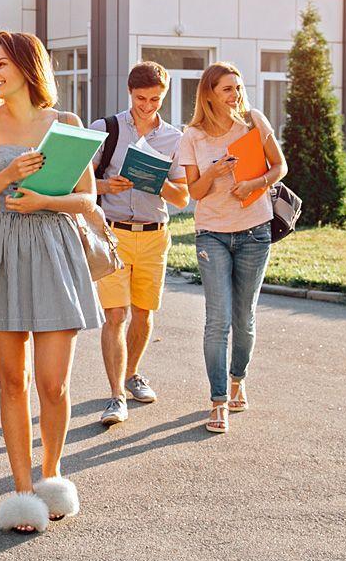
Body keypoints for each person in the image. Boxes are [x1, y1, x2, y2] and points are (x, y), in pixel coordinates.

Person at [0, 31, 103, 534]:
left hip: (56, 249)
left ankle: (53, 476)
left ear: (26, 65)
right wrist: (10, 172)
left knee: (53, 383)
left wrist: (45, 202)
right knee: (13, 381)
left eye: (0, 64)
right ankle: (20, 490)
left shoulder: (68, 124)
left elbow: (88, 201)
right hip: (2, 251)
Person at [177, 61, 287, 435]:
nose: (235, 94)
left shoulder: (254, 122)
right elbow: (193, 192)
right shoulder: (192, 135)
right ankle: (218, 400)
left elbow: (280, 167)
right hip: (212, 234)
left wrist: (254, 183)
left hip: (255, 230)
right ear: (209, 93)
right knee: (217, 320)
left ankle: (238, 378)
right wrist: (217, 171)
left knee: (244, 317)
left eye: (237, 87)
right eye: (227, 89)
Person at [89, 62, 191, 426]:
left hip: (154, 234)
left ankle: (132, 373)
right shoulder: (105, 129)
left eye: (155, 99)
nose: (147, 105)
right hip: (112, 234)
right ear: (129, 93)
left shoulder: (175, 139)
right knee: (116, 314)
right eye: (140, 98)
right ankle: (116, 396)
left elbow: (182, 198)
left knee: (144, 313)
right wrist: (106, 186)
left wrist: (156, 181)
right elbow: (76, 181)